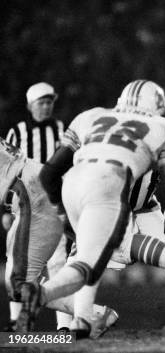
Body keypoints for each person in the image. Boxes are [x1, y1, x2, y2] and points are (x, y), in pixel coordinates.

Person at [17, 80, 165, 335]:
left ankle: (74, 322)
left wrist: (62, 214)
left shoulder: (90, 117)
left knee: (84, 259)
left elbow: (49, 175)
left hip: (111, 199)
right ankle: (64, 320)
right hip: (110, 198)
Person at [0, 135, 118, 336]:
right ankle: (95, 315)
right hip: (31, 192)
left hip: (32, 195)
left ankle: (90, 316)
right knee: (16, 282)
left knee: (19, 282)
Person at [3, 82, 71, 332]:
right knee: (16, 263)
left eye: (49, 102)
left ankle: (64, 327)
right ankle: (16, 321)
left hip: (53, 204)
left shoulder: (64, 130)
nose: (45, 106)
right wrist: (5, 212)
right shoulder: (17, 133)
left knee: (57, 262)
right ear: (30, 105)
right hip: (23, 204)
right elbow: (6, 172)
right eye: (41, 102)